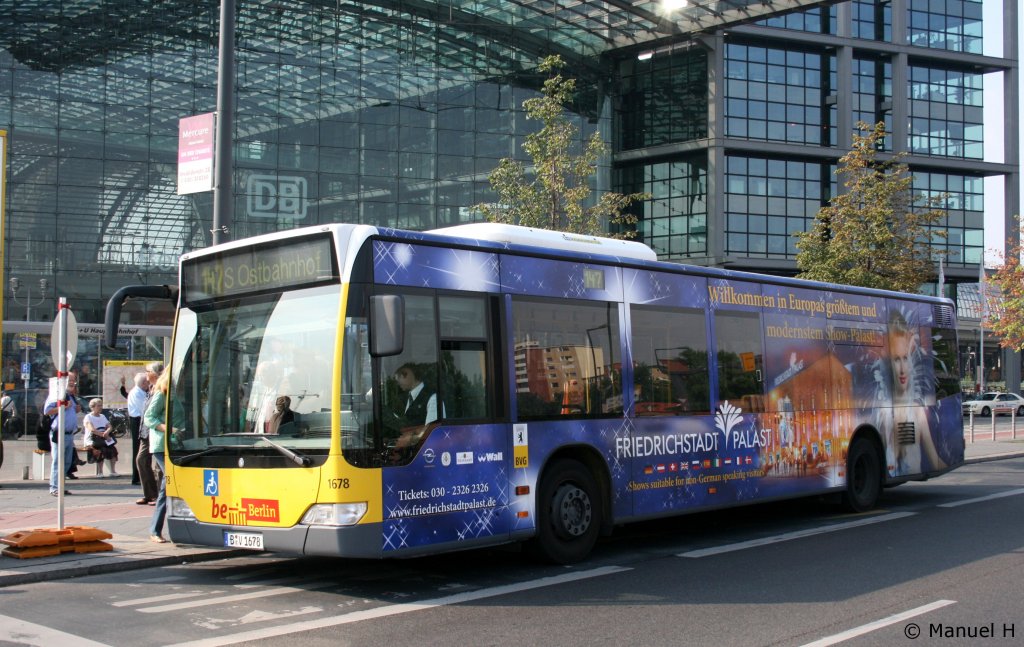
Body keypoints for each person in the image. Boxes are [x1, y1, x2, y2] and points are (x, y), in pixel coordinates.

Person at [888, 311, 944, 474]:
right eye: (896, 359)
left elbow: (936, 462)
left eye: (905, 358)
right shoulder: (882, 415)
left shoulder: (916, 411)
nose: (902, 369)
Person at [144, 369, 184, 543]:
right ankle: (155, 530)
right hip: (163, 445)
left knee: (167, 485)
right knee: (168, 485)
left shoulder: (176, 392)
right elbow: (149, 418)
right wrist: (169, 429)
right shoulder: (162, 392)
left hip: (174, 443)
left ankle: (157, 530)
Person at [43, 372, 80, 497]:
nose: (72, 383)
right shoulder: (56, 395)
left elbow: (75, 409)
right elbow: (47, 411)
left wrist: (76, 407)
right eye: (70, 380)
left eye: (73, 380)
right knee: (58, 461)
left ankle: (61, 486)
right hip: (59, 433)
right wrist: (62, 408)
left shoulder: (70, 396)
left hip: (69, 434)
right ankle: (54, 487)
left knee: (67, 462)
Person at [389, 363, 438, 451]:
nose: (397, 384)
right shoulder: (404, 398)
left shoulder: (433, 398)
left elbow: (432, 431)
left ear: (407, 375)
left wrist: (407, 439)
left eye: (398, 379)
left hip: (424, 452)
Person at [136, 362, 163, 505]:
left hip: (156, 430)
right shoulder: (151, 389)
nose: (146, 374)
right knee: (141, 460)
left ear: (154, 373)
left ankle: (158, 496)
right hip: (146, 432)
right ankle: (150, 494)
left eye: (147, 371)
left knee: (159, 465)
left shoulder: (161, 388)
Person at [123, 372, 149, 486]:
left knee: (139, 448)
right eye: (147, 382)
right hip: (137, 420)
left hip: (138, 420)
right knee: (138, 448)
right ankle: (136, 476)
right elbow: (144, 408)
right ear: (143, 383)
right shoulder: (137, 393)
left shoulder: (139, 392)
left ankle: (138, 475)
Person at [83, 397, 119, 477]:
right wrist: (103, 435)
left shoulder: (102, 416)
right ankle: (100, 472)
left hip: (103, 437)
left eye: (101, 405)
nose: (100, 408)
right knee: (101, 450)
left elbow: (109, 426)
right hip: (93, 439)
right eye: (98, 406)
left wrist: (106, 433)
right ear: (92, 407)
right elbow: (92, 429)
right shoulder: (88, 417)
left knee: (113, 449)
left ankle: (112, 471)